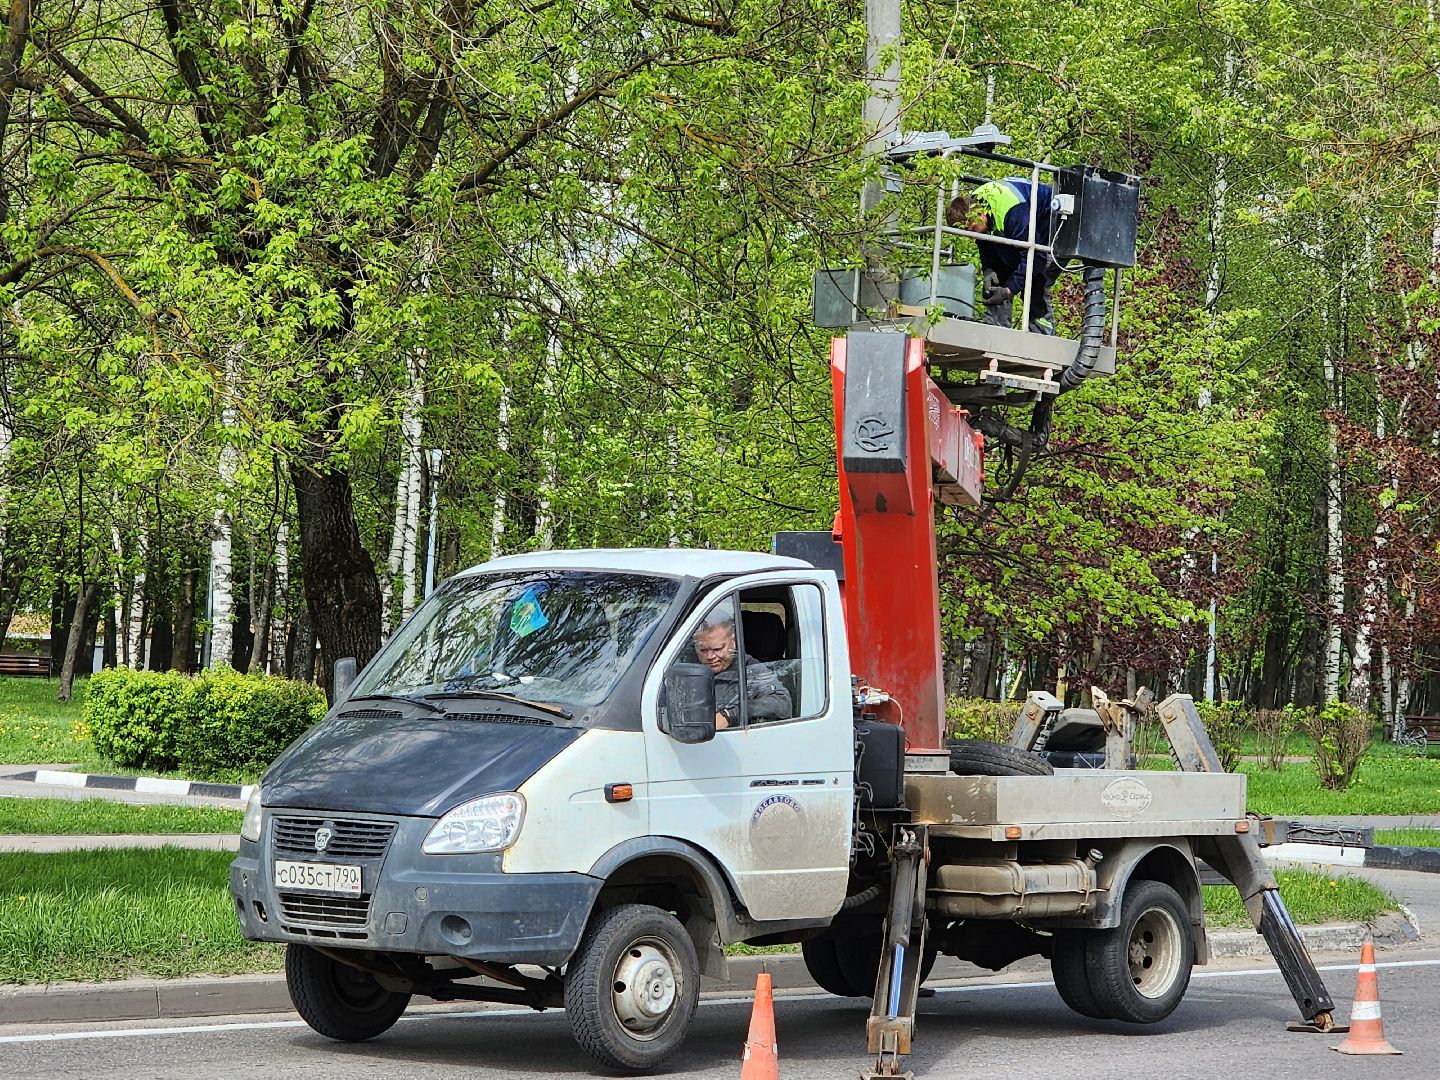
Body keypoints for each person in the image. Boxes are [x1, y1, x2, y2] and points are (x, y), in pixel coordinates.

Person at [946, 178, 1060, 335]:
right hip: (1021, 234)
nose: (972, 237)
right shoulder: (975, 205)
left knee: (1034, 284)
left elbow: (1036, 258)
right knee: (996, 283)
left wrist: (1009, 291)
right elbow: (985, 243)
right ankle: (996, 334)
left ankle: (1043, 338)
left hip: (1053, 233)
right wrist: (988, 270)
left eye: (972, 230)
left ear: (980, 214)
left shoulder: (1014, 213)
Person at [691, 615, 791, 729]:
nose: (710, 656)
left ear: (733, 642)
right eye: (703, 650)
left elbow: (782, 703)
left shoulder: (751, 670)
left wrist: (732, 714)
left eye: (717, 649)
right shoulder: (686, 666)